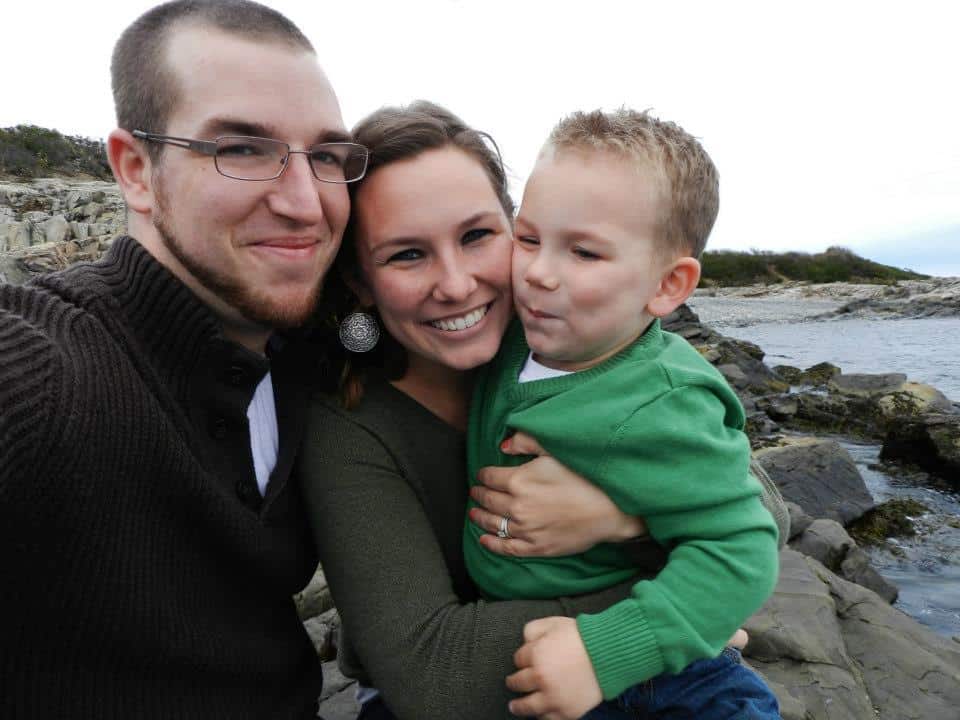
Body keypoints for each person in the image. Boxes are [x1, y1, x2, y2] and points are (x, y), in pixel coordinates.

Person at [299, 102, 775, 720]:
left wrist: (621, 515)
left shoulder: (567, 339)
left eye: (479, 236)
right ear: (360, 280)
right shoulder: (350, 421)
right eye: (406, 255)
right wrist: (661, 624)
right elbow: (428, 675)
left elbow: (757, 513)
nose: (458, 284)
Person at [0, 1, 367, 717]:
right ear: (135, 169)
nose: (304, 203)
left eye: (325, 156)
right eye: (242, 148)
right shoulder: (47, 371)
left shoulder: (313, 345)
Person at [464, 109, 782, 720]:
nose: (538, 273)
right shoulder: (508, 339)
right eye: (527, 238)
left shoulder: (663, 400)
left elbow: (742, 550)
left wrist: (610, 653)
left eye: (584, 252)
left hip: (664, 677)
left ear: (667, 285)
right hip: (532, 646)